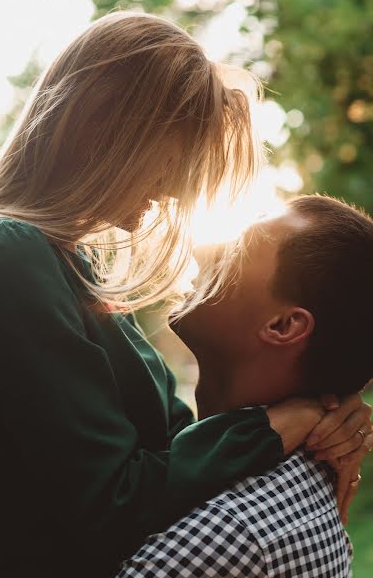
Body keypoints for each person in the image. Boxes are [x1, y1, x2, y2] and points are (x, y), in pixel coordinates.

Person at [0, 12, 370, 577]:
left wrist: (327, 411)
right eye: (175, 161)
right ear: (107, 129)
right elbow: (110, 505)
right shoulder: (8, 254)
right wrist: (277, 426)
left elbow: (173, 456)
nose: (171, 193)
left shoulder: (72, 267)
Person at [117, 195, 373, 577]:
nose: (209, 251)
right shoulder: (286, 482)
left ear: (284, 326)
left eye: (241, 246)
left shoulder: (231, 529)